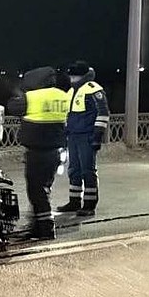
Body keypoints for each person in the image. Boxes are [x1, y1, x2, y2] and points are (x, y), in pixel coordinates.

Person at [5, 66, 71, 239]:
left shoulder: (32, 97)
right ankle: (38, 225)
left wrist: (18, 93)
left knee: (36, 191)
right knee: (44, 189)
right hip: (56, 151)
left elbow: (11, 106)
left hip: (38, 152)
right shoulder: (63, 96)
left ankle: (45, 230)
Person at [59, 61, 110, 217]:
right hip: (73, 136)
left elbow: (103, 114)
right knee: (74, 170)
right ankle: (74, 202)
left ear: (80, 76)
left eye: (73, 76)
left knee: (88, 171)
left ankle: (89, 204)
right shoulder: (71, 91)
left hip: (87, 136)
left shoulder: (94, 89)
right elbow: (68, 115)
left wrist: (97, 136)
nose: (71, 79)